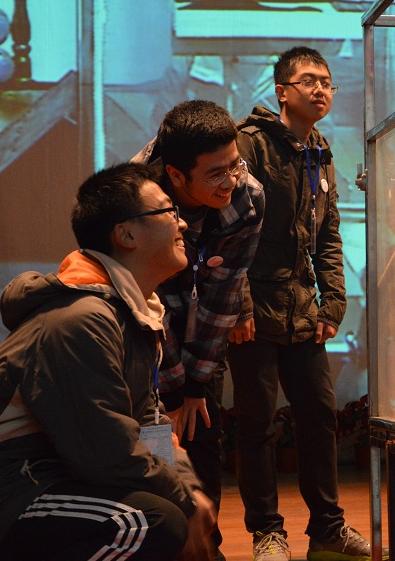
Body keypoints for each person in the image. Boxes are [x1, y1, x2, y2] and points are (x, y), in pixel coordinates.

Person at [0, 162, 217, 561]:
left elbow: (150, 423)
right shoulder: (82, 319)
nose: (181, 223)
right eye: (168, 211)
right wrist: (182, 499)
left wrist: (188, 489)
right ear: (125, 234)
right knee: (146, 523)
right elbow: (103, 451)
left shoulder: (134, 315)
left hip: (44, 482)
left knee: (175, 515)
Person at [233, 46, 380, 561]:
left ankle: (328, 529)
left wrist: (332, 303)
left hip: (302, 306)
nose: (320, 89)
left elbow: (328, 234)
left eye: (326, 82)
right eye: (309, 80)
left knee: (319, 416)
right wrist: (240, 305)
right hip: (253, 307)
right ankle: (266, 533)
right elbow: (232, 231)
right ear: (282, 91)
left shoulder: (320, 149)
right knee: (256, 424)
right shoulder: (249, 144)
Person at [132, 100, 265, 561]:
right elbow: (147, 303)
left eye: (235, 165)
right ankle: (164, 546)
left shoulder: (247, 197)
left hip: (202, 332)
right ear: (176, 174)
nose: (231, 181)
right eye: (215, 174)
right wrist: (172, 388)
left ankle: (206, 549)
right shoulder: (136, 205)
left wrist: (196, 385)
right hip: (141, 338)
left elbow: (226, 292)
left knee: (203, 431)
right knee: (155, 445)